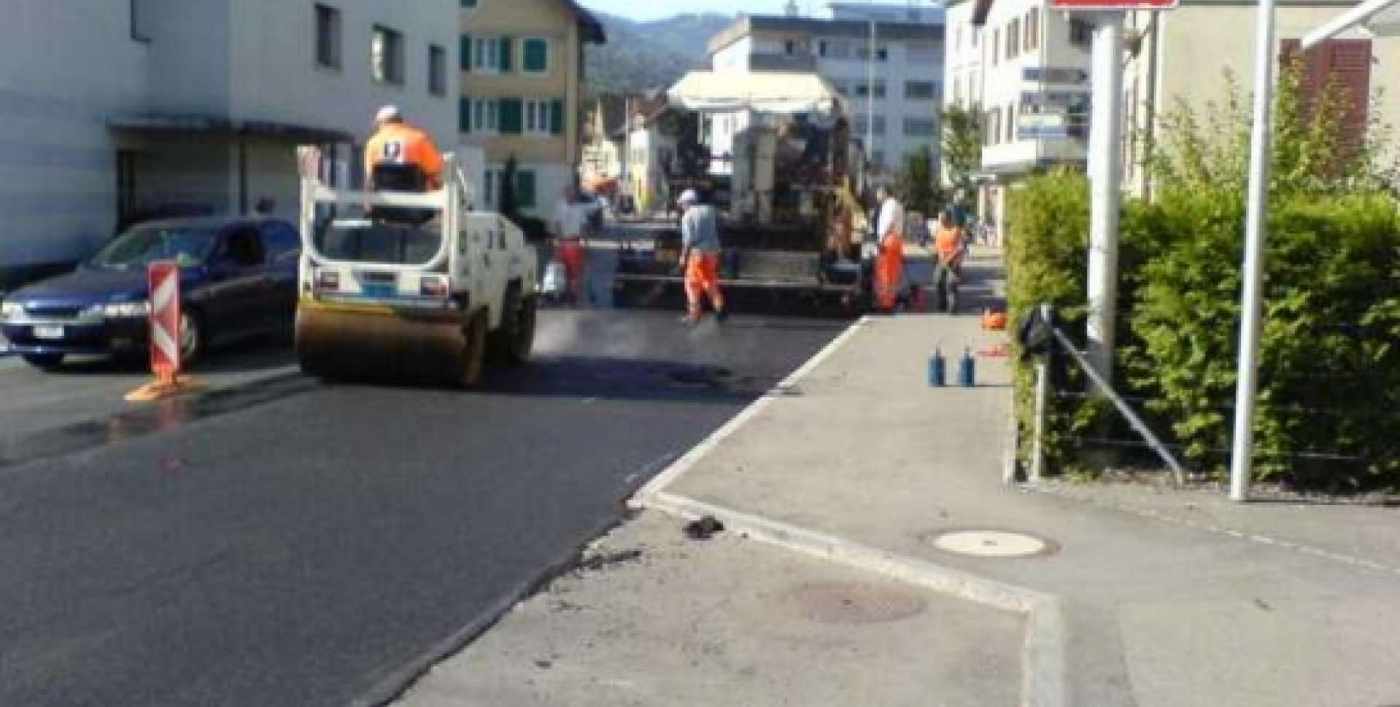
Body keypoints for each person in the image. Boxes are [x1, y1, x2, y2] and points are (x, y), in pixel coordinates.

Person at [364, 105, 445, 191]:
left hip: (383, 198)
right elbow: (435, 168)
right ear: (400, 120)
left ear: (382, 123)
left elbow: (370, 175)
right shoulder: (419, 138)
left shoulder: (372, 143)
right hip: (416, 197)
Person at [677, 189, 726, 325]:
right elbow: (721, 225)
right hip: (713, 253)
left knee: (691, 284)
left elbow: (688, 239)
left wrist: (683, 256)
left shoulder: (687, 216)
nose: (682, 207)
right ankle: (719, 307)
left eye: (682, 204)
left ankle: (694, 315)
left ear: (688, 203)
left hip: (697, 254)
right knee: (710, 280)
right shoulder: (710, 210)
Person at [551, 184, 596, 305]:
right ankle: (564, 295)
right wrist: (559, 242)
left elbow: (583, 227)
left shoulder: (578, 209)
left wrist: (585, 244)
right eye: (569, 193)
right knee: (562, 271)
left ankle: (573, 296)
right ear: (565, 194)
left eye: (573, 194)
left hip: (574, 242)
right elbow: (557, 226)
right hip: (565, 242)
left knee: (575, 272)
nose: (571, 196)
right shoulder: (561, 208)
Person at [873, 184, 905, 312]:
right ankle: (890, 300)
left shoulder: (889, 205)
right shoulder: (896, 204)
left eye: (878, 193)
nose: (877, 196)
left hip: (888, 240)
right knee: (892, 273)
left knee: (884, 272)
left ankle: (885, 302)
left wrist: (881, 240)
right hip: (895, 240)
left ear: (884, 193)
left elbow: (889, 223)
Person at [932, 209, 966, 313]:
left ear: (949, 219)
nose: (941, 221)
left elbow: (961, 247)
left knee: (951, 284)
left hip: (953, 262)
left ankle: (952, 307)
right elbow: (937, 247)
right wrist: (936, 256)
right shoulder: (940, 232)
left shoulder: (956, 231)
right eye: (940, 219)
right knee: (938, 282)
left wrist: (953, 258)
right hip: (941, 262)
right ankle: (942, 304)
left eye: (943, 218)